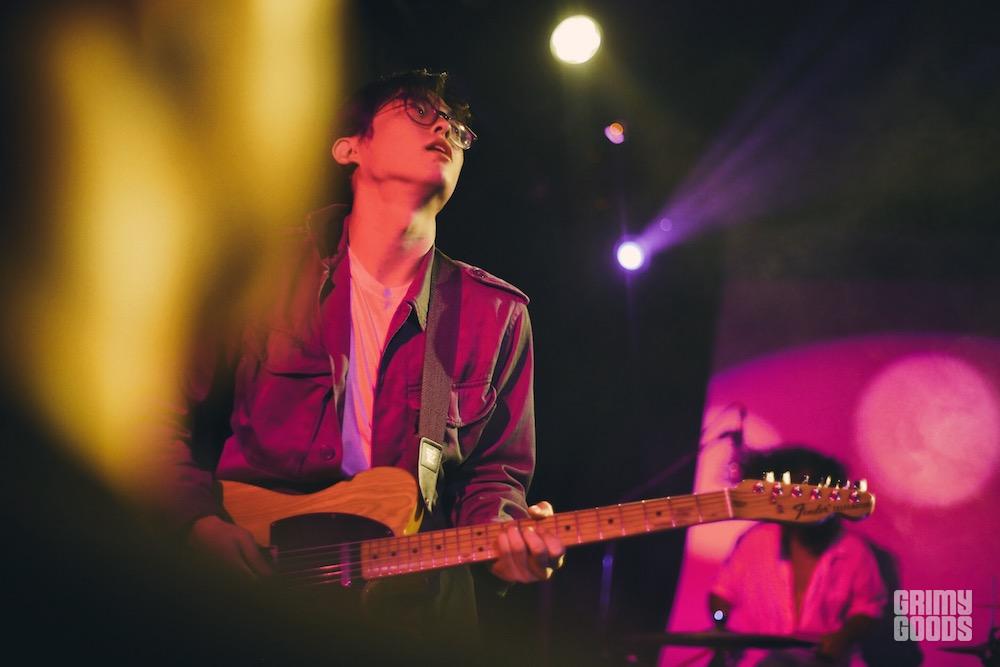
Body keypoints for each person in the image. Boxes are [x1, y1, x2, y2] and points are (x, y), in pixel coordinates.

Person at [160, 69, 565, 642]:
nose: (444, 129)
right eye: (419, 111)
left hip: (415, 616)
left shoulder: (496, 313)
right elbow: (150, 410)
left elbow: (495, 477)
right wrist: (195, 523)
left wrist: (509, 546)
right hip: (252, 596)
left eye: (457, 128)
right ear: (350, 147)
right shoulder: (264, 269)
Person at [707, 447, 887, 667]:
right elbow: (722, 593)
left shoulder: (853, 551)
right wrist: (720, 626)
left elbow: (868, 609)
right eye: (794, 490)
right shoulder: (756, 541)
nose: (801, 499)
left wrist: (844, 637)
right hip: (763, 660)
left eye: (810, 491)